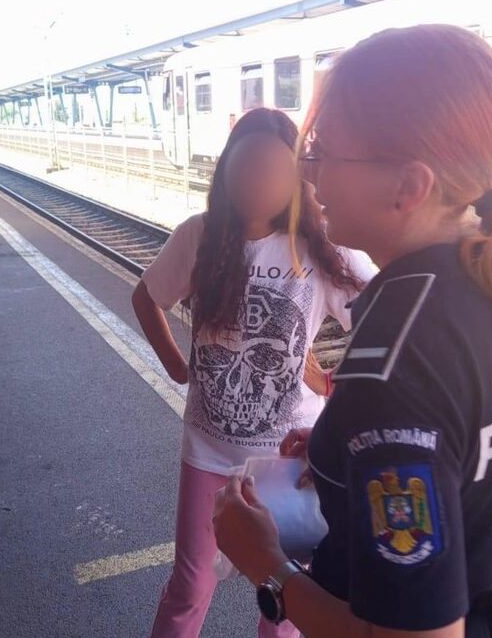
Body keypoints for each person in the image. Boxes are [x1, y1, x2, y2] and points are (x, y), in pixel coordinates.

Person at [213, 26, 492, 638]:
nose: (309, 174)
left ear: (409, 186)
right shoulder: (486, 287)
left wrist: (267, 566)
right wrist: (345, 449)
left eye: (323, 151)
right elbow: (454, 451)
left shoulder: (395, 363)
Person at [132, 107, 375, 638]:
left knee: (284, 599)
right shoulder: (198, 237)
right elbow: (147, 297)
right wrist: (177, 367)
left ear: (297, 179)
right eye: (245, 167)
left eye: (274, 170)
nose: (257, 181)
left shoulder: (321, 246)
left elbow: (385, 321)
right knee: (191, 585)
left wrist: (335, 390)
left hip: (288, 459)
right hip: (208, 452)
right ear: (225, 171)